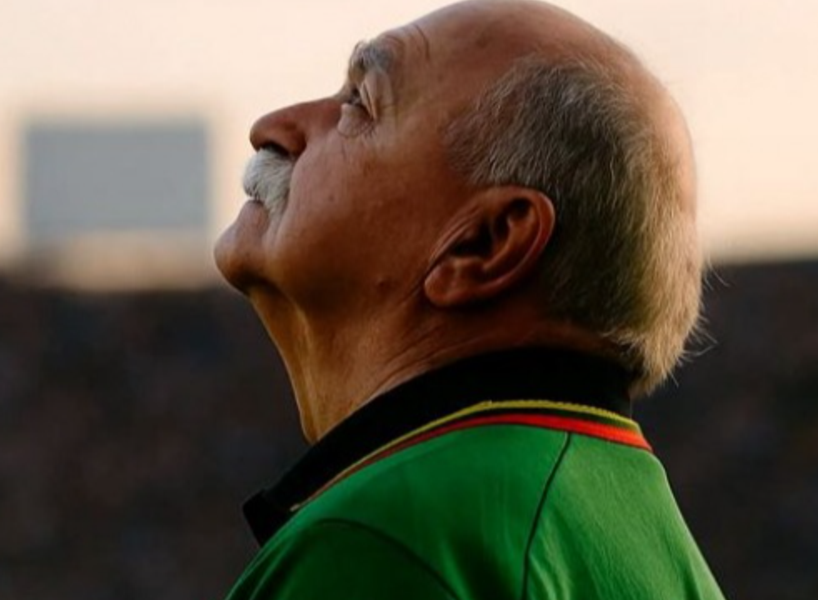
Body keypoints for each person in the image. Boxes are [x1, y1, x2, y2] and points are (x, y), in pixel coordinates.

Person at [213, 0, 724, 598]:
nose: (272, 126)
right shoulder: (661, 552)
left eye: (361, 104)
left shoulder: (381, 537)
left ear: (484, 243)